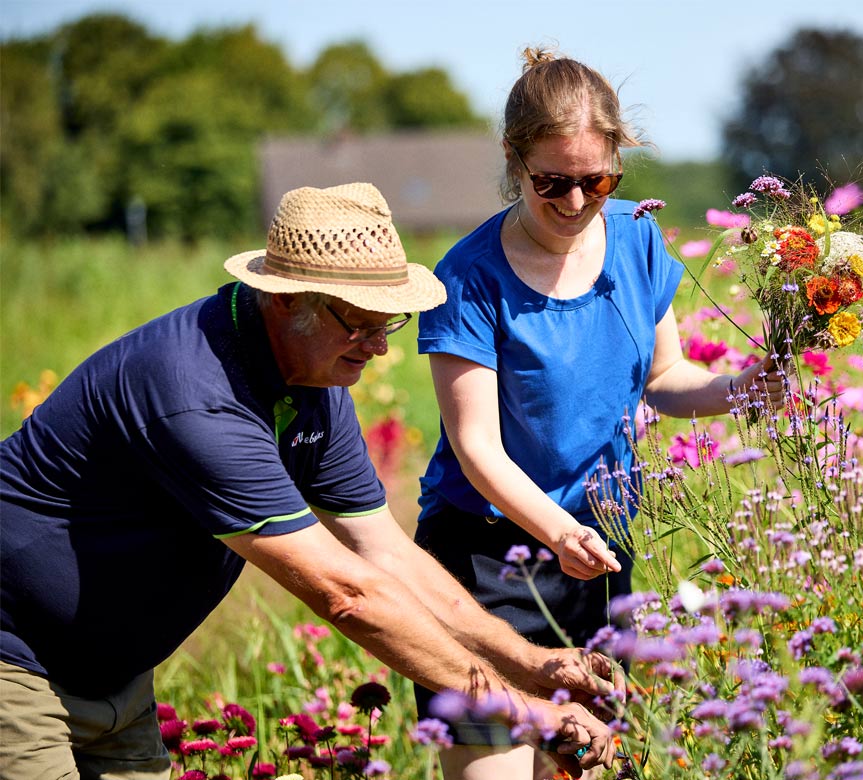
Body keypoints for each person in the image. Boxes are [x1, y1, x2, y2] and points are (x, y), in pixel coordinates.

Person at [0, 183, 622, 780]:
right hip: (17, 662)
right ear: (286, 298)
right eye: (359, 321)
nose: (379, 346)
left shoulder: (313, 378)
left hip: (117, 682)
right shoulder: (197, 394)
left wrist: (536, 664)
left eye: (390, 321)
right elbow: (346, 594)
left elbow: (385, 555)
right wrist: (526, 710)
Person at [413, 48, 787, 779]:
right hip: (489, 558)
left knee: (580, 765)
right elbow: (477, 451)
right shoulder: (468, 276)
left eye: (597, 180)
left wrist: (744, 387)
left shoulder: (638, 238)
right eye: (553, 182)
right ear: (514, 161)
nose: (578, 202)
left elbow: (667, 377)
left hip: (598, 557)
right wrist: (558, 530)